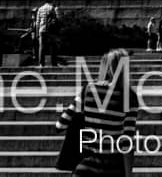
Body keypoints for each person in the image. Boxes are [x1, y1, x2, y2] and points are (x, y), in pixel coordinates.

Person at [56, 48, 135, 177]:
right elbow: (126, 142)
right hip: (112, 169)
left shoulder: (88, 89)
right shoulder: (129, 96)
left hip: (85, 167)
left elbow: (61, 125)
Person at [34, 0, 58, 67]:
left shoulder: (40, 9)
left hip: (41, 29)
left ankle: (41, 63)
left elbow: (37, 22)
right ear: (52, 0)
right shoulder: (52, 8)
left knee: (41, 46)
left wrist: (37, 32)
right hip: (50, 30)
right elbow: (54, 19)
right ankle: (54, 63)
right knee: (53, 46)